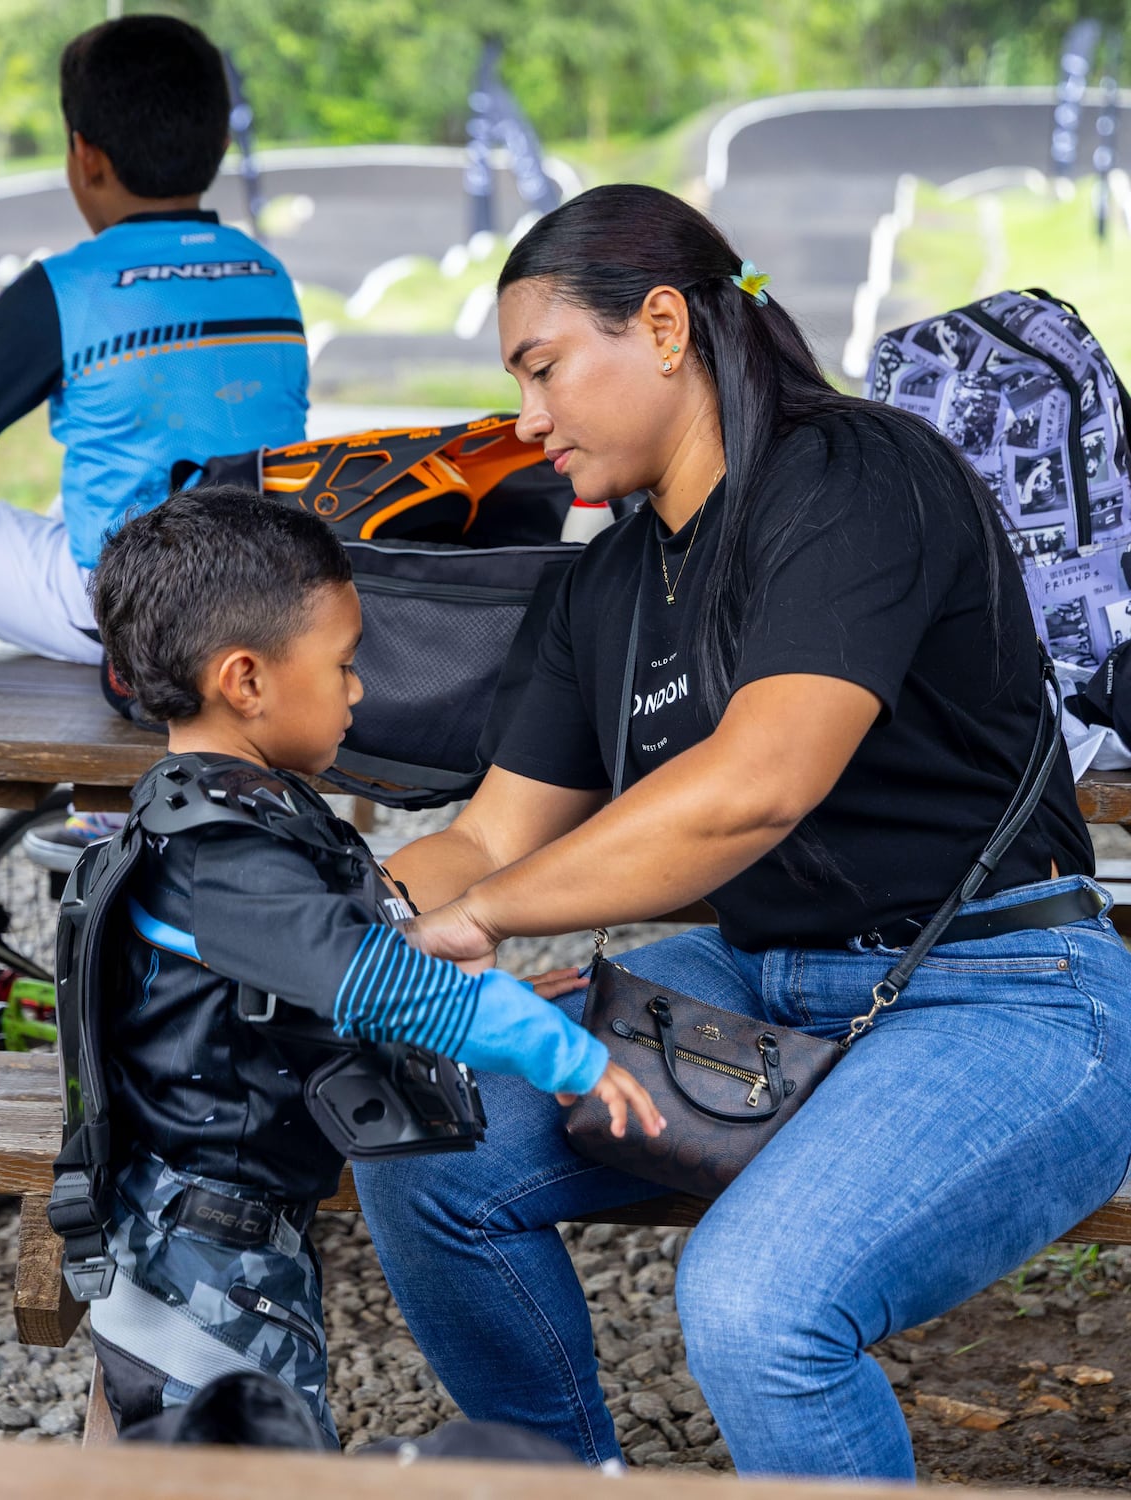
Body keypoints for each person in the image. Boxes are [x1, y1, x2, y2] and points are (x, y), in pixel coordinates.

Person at [351, 184, 1131, 1482]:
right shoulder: (605, 580)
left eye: (542, 368)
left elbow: (760, 781)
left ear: (663, 326)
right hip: (759, 990)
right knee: (427, 1135)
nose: (524, 418)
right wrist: (327, 918)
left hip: (1011, 991)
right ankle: (555, 1472)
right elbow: (486, 840)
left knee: (757, 1308)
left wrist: (484, 920)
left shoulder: (862, 474)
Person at [79, 484, 664, 1441]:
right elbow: (375, 984)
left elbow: (329, 957)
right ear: (246, 680)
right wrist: (566, 1055)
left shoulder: (205, 813)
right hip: (203, 1242)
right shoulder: (226, 859)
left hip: (195, 1221)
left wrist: (498, 985)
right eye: (346, 665)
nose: (359, 690)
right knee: (246, 1453)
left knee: (166, 1438)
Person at [0, 14, 309, 870]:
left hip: (122, 603)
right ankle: (102, 818)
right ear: (214, 143)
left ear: (84, 155)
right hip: (257, 594)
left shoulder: (63, 290)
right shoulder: (267, 274)